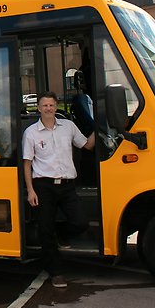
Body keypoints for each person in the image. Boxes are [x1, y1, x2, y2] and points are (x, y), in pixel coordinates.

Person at [23, 91, 95, 288]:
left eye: (52, 105)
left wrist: (101, 126)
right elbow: (27, 164)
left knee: (80, 222)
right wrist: (30, 190)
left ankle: (61, 232)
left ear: (56, 107)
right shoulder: (31, 133)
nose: (48, 109)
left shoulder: (69, 127)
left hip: (66, 185)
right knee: (45, 231)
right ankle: (56, 272)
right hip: (43, 186)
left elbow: (87, 145)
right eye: (44, 105)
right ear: (38, 108)